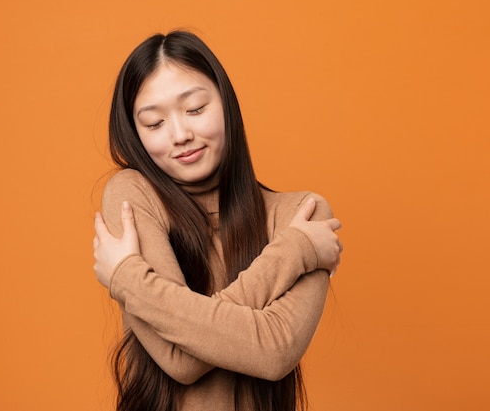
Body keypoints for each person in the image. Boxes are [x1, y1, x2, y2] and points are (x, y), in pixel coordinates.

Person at [93, 30, 343, 411]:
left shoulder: (302, 215)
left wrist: (127, 278)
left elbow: (275, 354)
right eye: (154, 123)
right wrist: (295, 251)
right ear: (135, 134)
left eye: (195, 109)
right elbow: (182, 361)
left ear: (226, 104)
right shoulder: (132, 195)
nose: (180, 134)